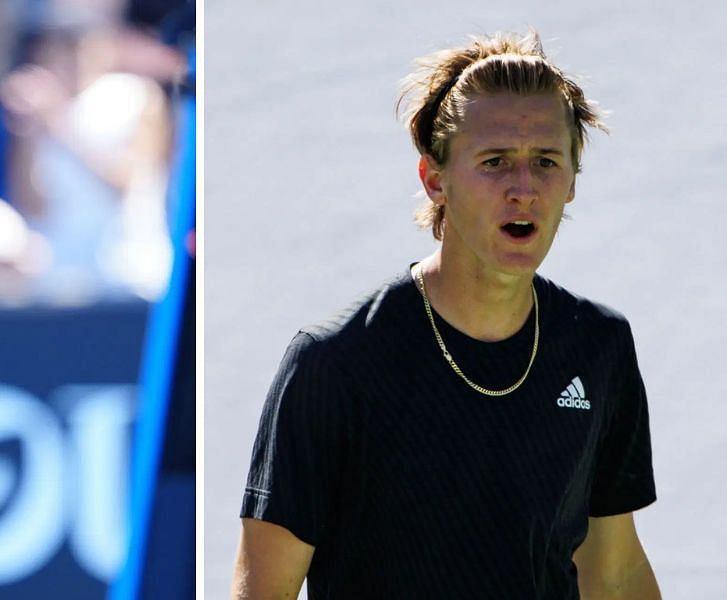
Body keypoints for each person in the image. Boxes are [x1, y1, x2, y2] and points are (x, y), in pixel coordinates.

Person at [232, 31, 660, 599]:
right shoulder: (332, 365)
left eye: (546, 162)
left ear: (573, 181)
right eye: (495, 162)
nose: (524, 188)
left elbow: (615, 570)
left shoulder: (599, 347)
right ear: (435, 179)